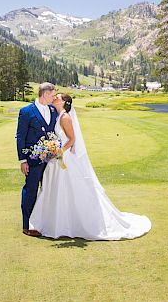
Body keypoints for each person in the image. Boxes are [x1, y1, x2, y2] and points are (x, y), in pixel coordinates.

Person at [29, 93, 152, 240]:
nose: (55, 97)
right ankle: (54, 223)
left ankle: (68, 224)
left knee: (67, 187)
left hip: (64, 158)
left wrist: (59, 151)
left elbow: (72, 139)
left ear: (64, 102)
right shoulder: (59, 115)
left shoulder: (65, 117)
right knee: (56, 188)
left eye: (58, 97)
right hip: (58, 157)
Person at [15, 82, 57, 236]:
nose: (54, 98)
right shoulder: (26, 111)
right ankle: (28, 225)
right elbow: (20, 137)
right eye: (52, 95)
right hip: (33, 160)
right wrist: (23, 160)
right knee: (31, 190)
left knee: (47, 191)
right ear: (45, 94)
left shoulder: (53, 110)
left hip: (51, 161)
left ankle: (44, 222)